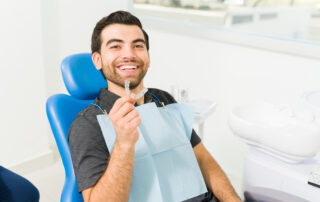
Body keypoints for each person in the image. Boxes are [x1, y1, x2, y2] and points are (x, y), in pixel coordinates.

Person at [68, 10, 241, 202]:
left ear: (148, 57)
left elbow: (203, 160)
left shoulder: (163, 100)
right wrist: (124, 144)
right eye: (116, 46)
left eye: (138, 46)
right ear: (98, 60)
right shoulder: (87, 124)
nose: (129, 54)